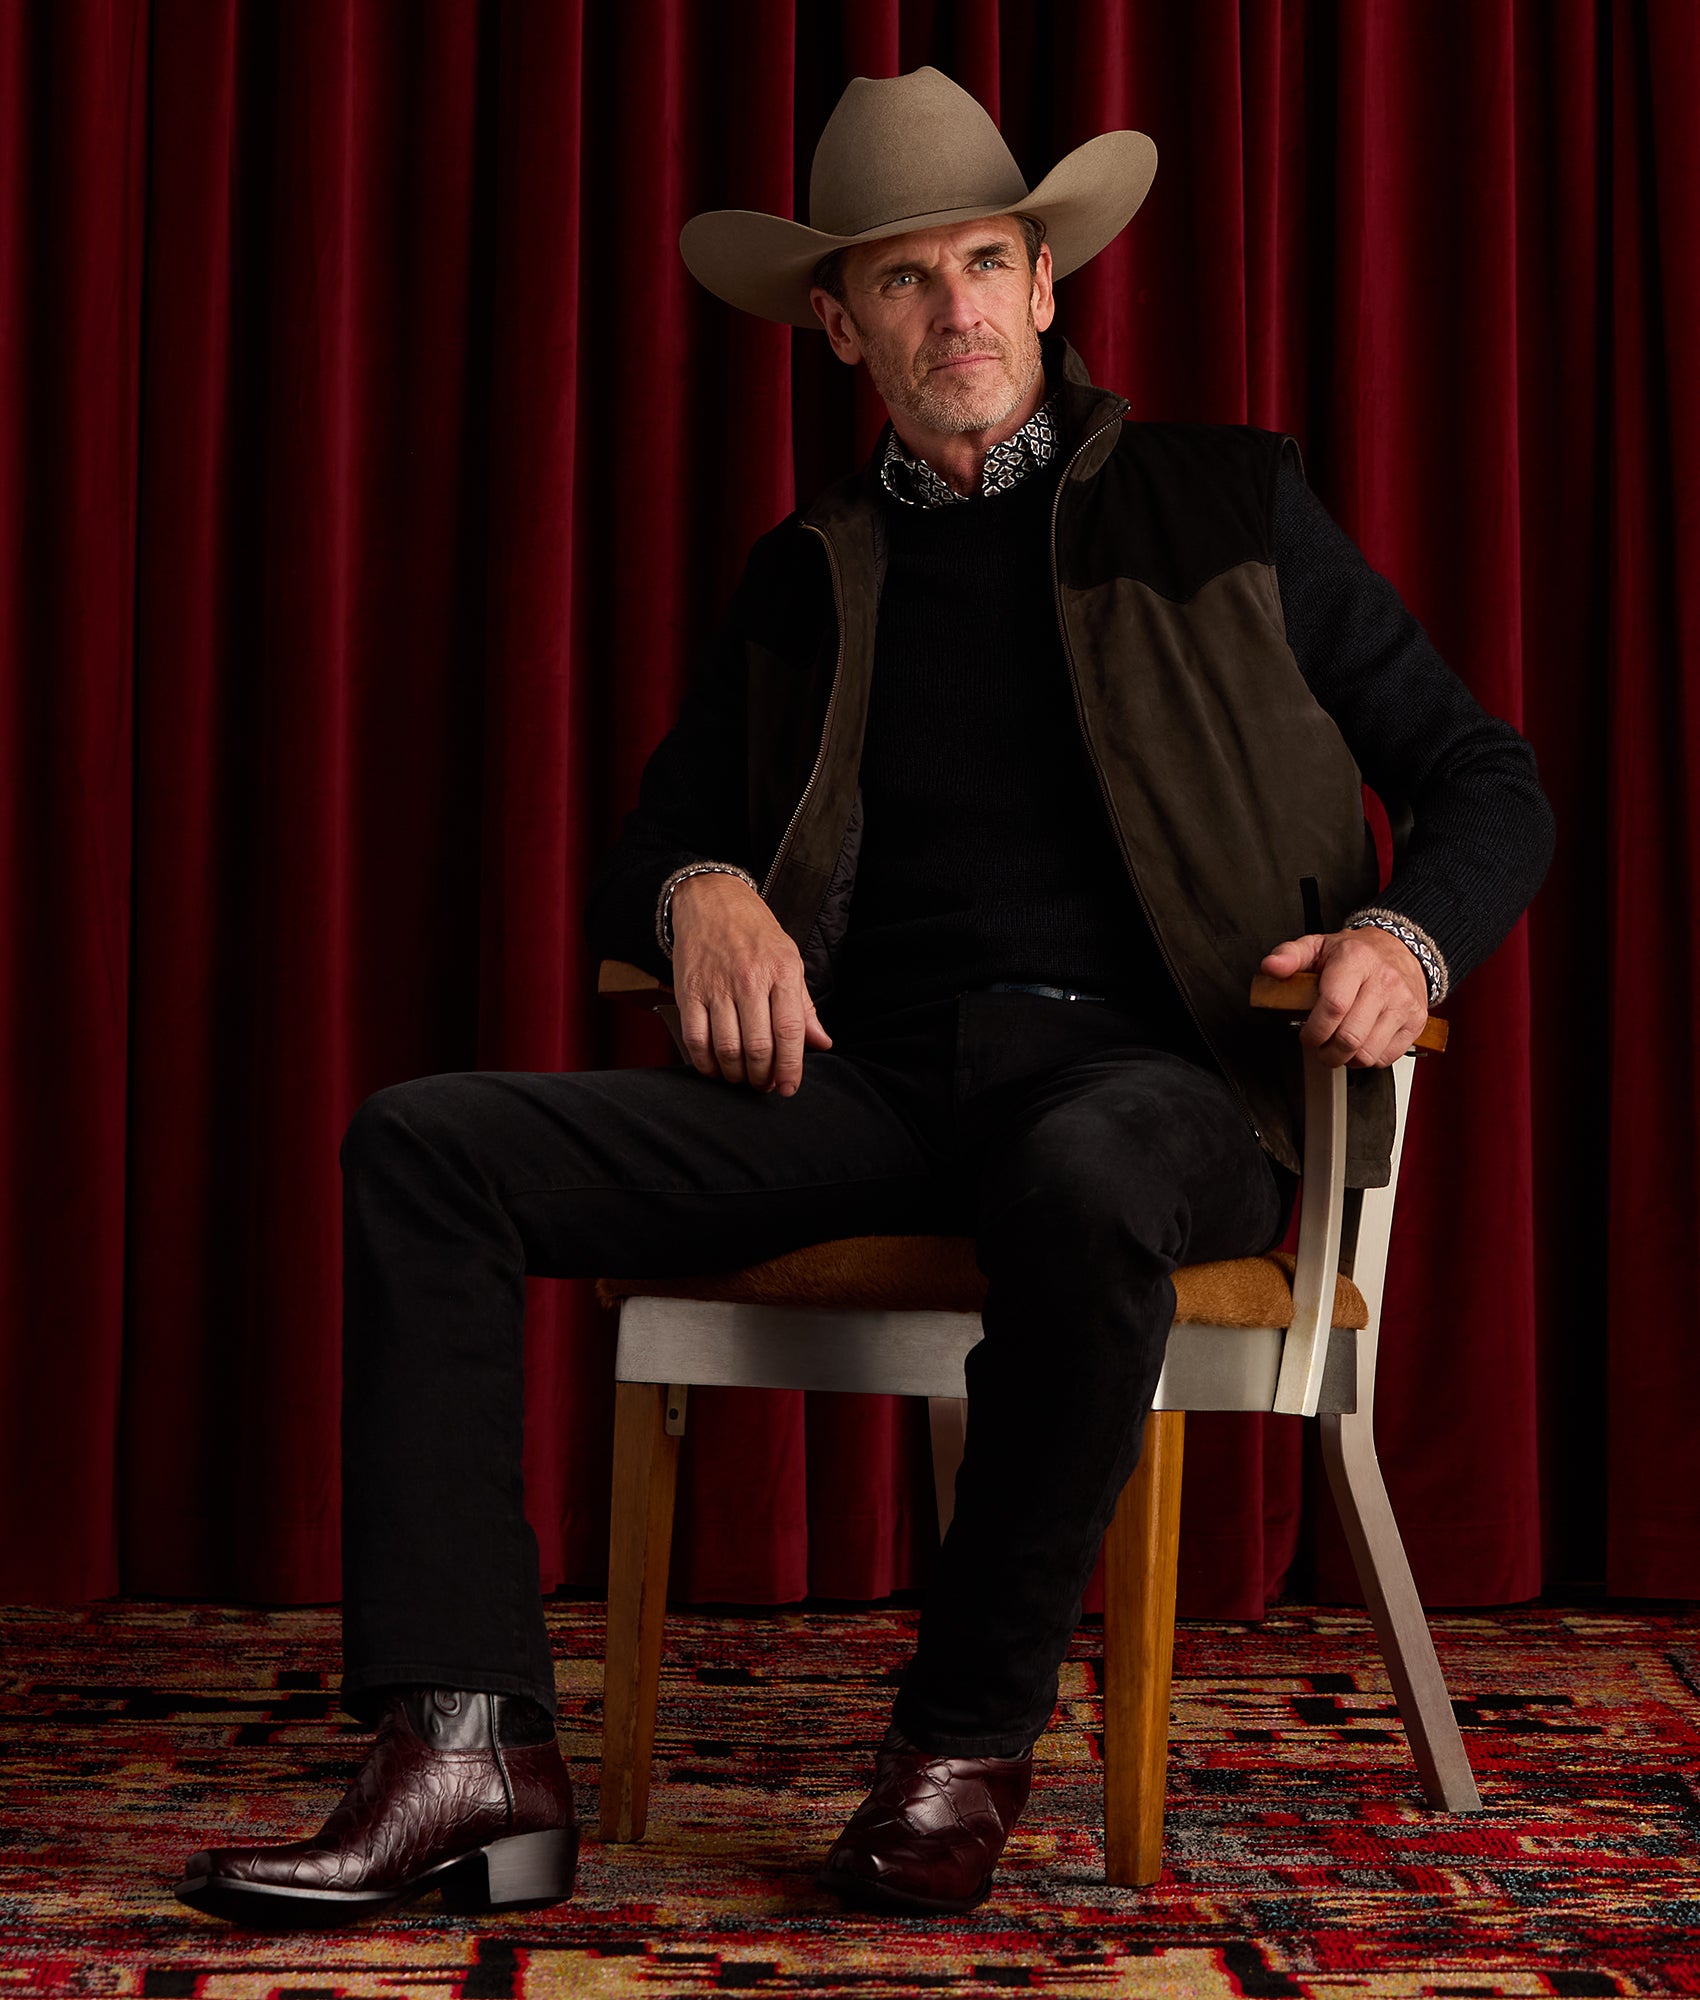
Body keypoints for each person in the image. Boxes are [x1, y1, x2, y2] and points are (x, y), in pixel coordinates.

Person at [175, 66, 1554, 1929]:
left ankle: (955, 1749)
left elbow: (1486, 777)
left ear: (1046, 283)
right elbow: (652, 844)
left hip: (1162, 1091)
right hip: (879, 1091)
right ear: (839, 324)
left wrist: (1407, 937)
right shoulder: (812, 573)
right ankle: (470, 1751)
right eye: (904, 279)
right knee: (427, 1149)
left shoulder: (1227, 501)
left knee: (1079, 1175)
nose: (955, 310)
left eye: (985, 263)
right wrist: (699, 892)